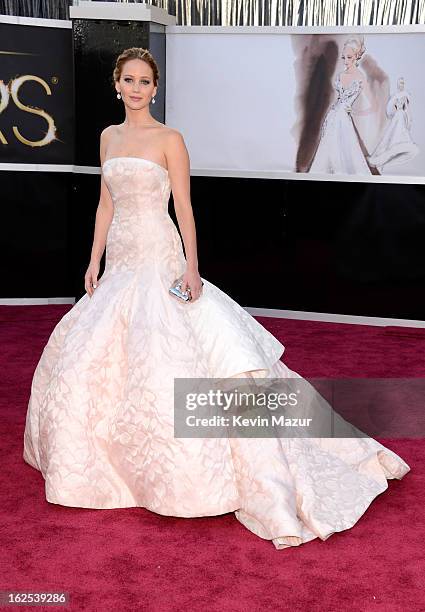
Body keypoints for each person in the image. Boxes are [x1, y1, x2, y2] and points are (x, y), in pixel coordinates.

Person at [23, 47, 410, 550]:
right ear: (116, 84)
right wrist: (93, 259)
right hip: (119, 259)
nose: (137, 88)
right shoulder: (108, 137)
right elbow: (104, 203)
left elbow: (184, 207)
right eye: (129, 80)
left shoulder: (169, 139)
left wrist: (191, 266)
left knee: (178, 350)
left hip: (159, 254)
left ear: (155, 88)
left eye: (146, 81)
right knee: (95, 354)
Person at [309, 36, 377, 175]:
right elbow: (338, 98)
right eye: (344, 57)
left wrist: (355, 111)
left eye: (349, 57)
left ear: (356, 57)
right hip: (333, 115)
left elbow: (373, 105)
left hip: (344, 119)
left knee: (346, 150)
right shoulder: (340, 75)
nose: (346, 61)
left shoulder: (360, 77)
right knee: (328, 148)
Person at [367, 76, 419, 171]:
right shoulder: (394, 96)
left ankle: (399, 144)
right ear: (397, 84)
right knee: (390, 134)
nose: (401, 85)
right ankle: (383, 158)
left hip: (401, 115)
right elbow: (389, 111)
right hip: (397, 116)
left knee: (399, 130)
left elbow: (407, 109)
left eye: (402, 83)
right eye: (400, 83)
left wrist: (409, 120)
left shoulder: (406, 94)